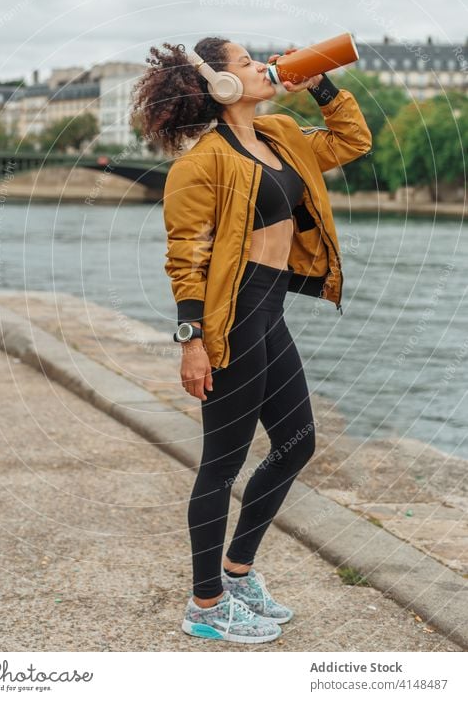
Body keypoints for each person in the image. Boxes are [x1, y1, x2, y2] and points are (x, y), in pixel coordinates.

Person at [130, 37, 372, 644]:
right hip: (230, 319)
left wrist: (319, 83)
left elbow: (351, 142)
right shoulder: (201, 162)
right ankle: (205, 603)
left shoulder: (283, 134)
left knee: (297, 444)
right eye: (245, 61)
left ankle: (236, 574)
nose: (261, 65)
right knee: (222, 464)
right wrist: (191, 341)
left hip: (270, 311)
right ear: (220, 84)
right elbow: (186, 256)